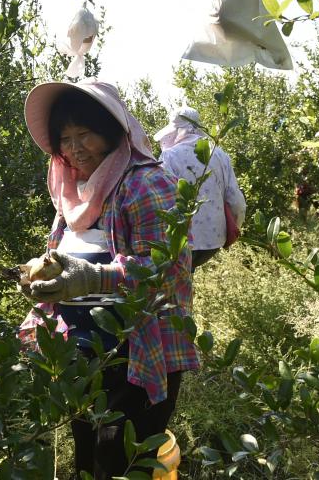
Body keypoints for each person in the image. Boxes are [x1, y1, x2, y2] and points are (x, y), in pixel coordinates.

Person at [17, 80, 198, 480]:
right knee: (88, 460)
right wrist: (39, 281)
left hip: (134, 354)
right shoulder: (72, 193)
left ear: (112, 133)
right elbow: (62, 256)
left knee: (118, 461)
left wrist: (93, 278)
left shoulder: (146, 183)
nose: (75, 148)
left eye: (85, 134)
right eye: (65, 139)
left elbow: (166, 269)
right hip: (81, 355)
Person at [154, 107, 246, 268]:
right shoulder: (219, 154)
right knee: (188, 274)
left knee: (179, 275)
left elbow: (162, 200)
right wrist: (235, 227)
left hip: (182, 239)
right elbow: (235, 199)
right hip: (214, 240)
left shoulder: (170, 156)